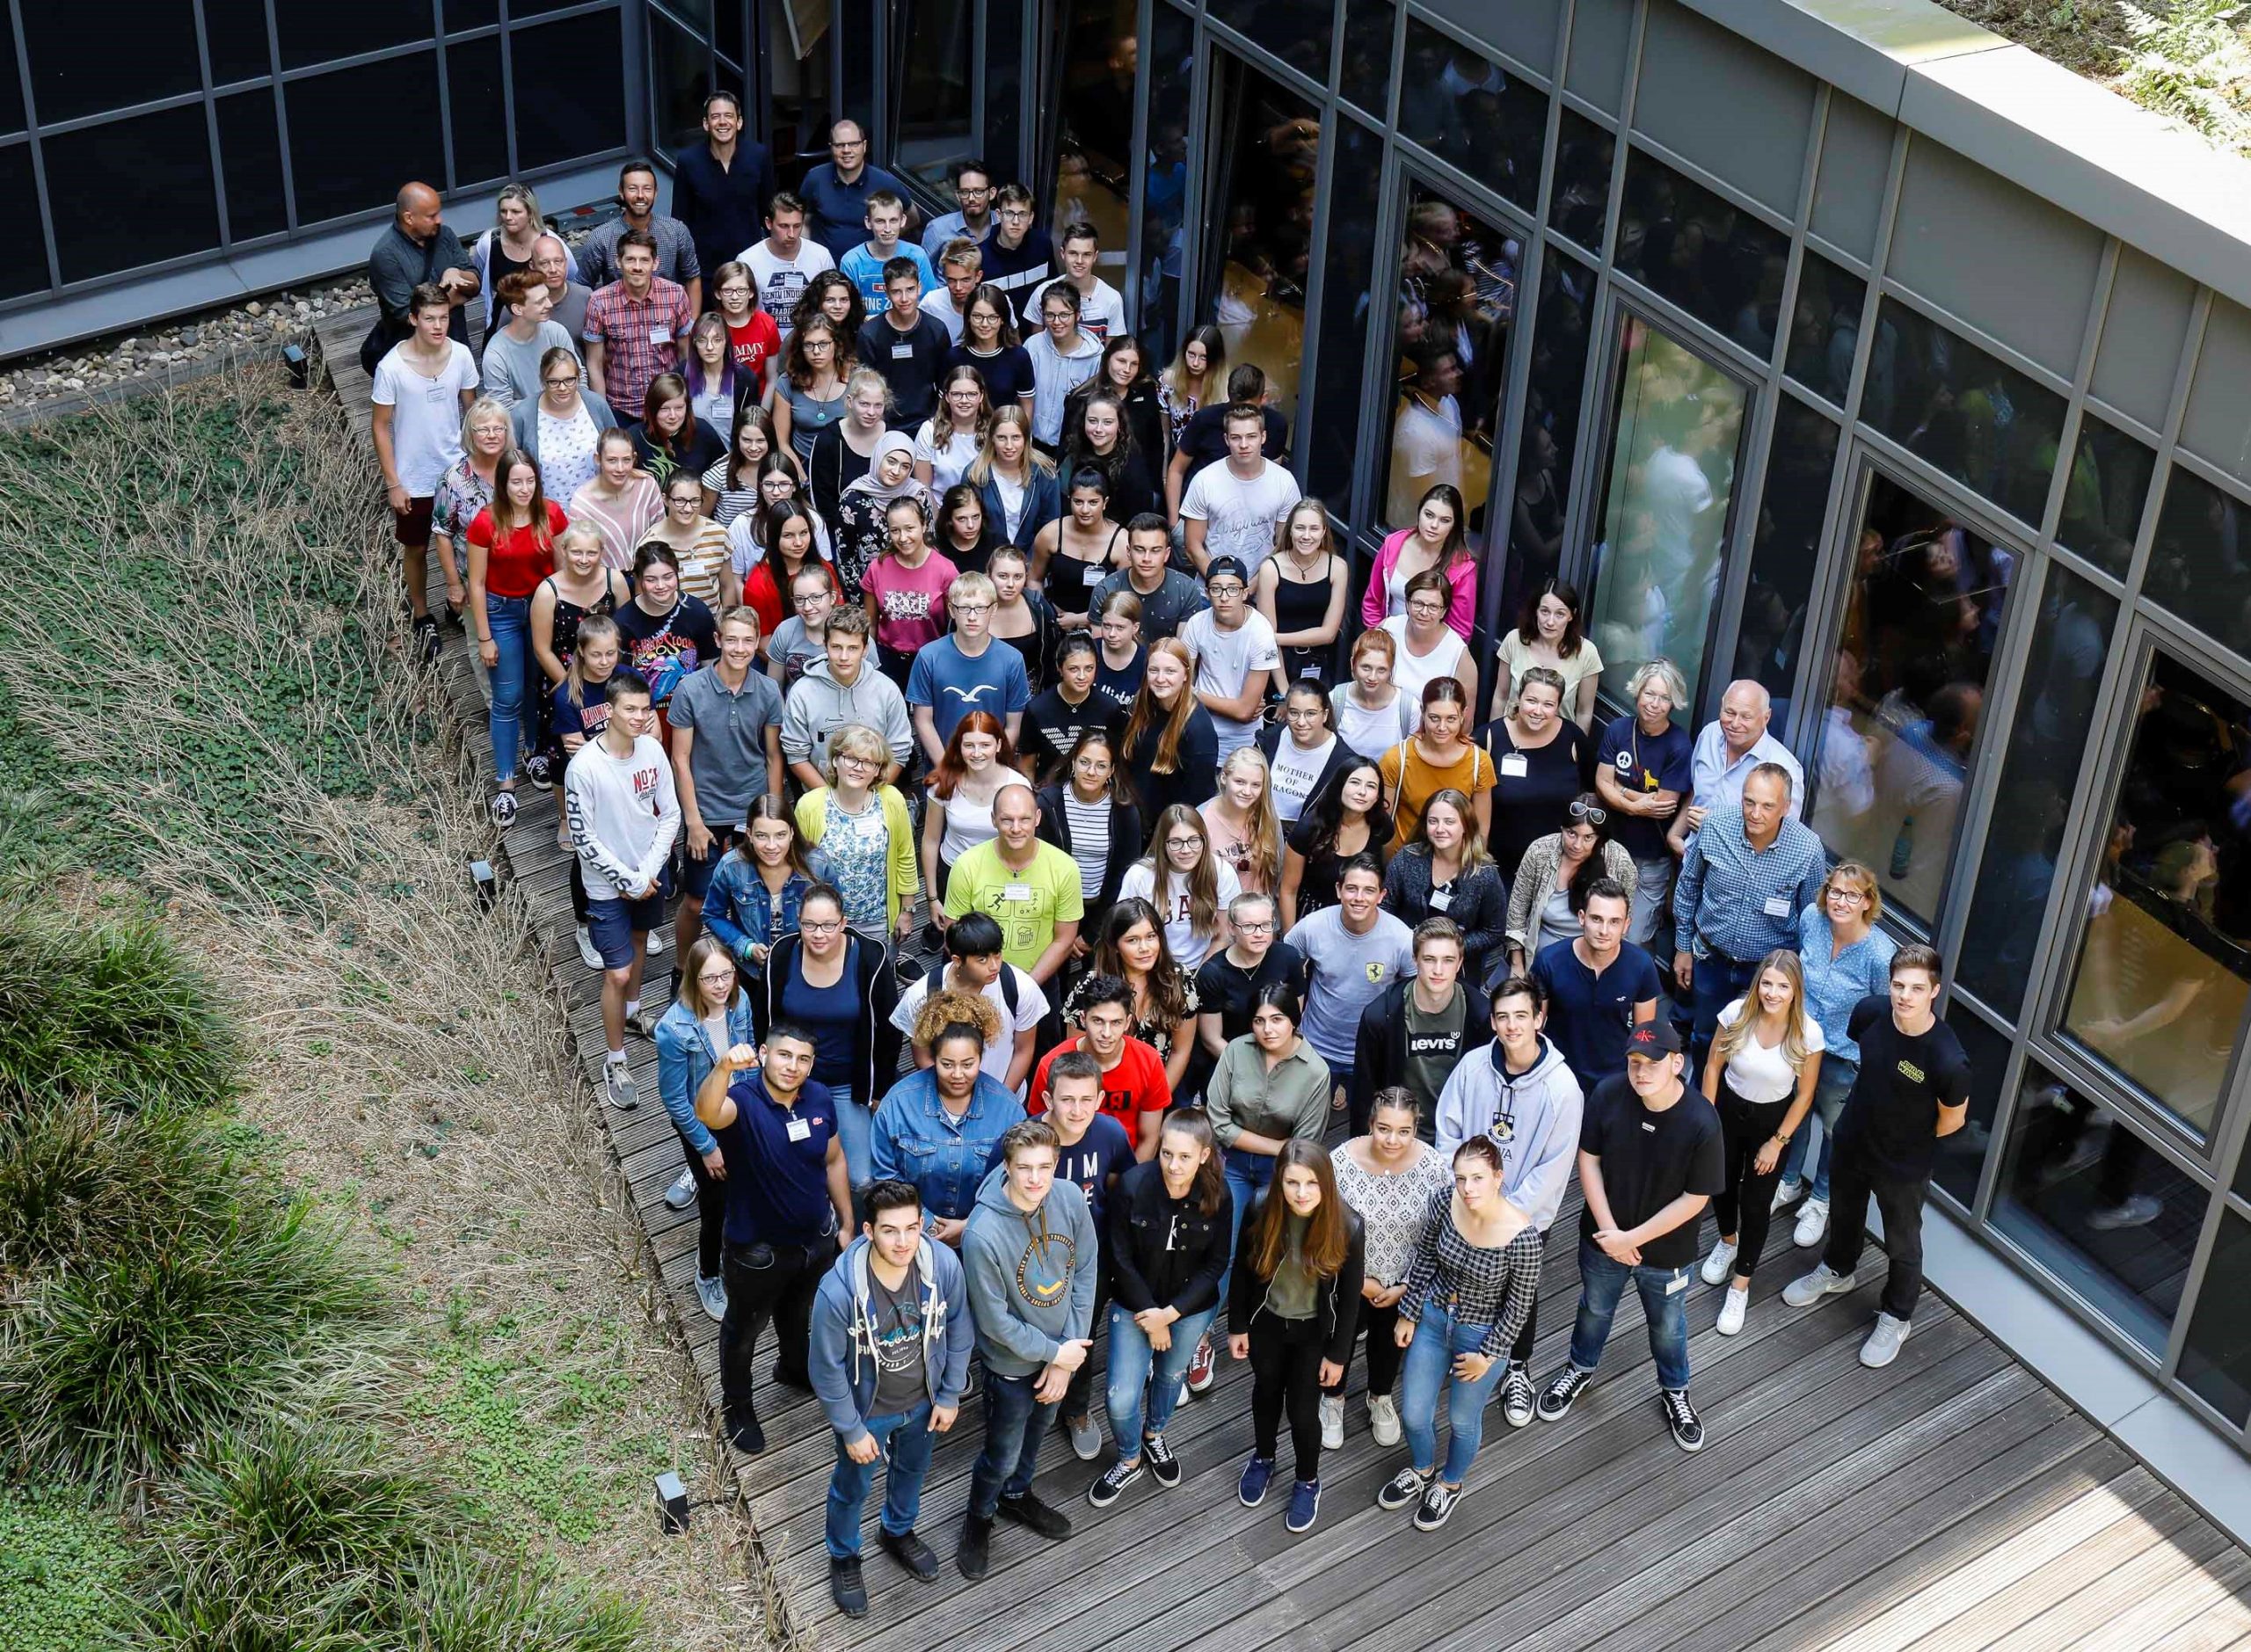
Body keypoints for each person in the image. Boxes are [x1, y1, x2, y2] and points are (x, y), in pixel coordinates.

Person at [1533, 1019, 1723, 1452]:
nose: (1640, 1072)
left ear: (1677, 1063)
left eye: (1652, 1063)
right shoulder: (1608, 1094)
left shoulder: (1701, 1121)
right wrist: (1610, 1232)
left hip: (1667, 1252)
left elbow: (1696, 1199)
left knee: (1668, 1326)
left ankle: (1676, 1390)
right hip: (1603, 1240)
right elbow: (1589, 1161)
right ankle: (1579, 1368)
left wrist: (1631, 1237)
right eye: (1634, 1062)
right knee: (1594, 1310)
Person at [1782, 945, 1971, 1368]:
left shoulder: (1947, 1059)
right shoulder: (1870, 1013)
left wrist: (1905, 1140)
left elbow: (1952, 1121)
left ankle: (1897, 1316)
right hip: (1852, 1141)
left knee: (1902, 1243)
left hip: (1903, 1165)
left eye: (1917, 988)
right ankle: (1837, 1270)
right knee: (1845, 1214)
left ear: (1934, 992)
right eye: (1899, 985)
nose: (1905, 996)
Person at [810, 1176, 974, 1620]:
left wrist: (950, 1392)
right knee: (852, 1486)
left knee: (913, 1469)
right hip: (870, 1412)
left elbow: (959, 1328)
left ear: (922, 1224)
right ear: (868, 1232)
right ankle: (844, 1555)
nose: (903, 1242)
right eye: (889, 1230)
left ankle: (897, 1530)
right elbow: (825, 1369)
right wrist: (850, 1428)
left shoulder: (942, 1266)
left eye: (911, 1228)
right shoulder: (839, 1291)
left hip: (925, 1401)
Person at [1431, 975, 1586, 1428]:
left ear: (1540, 1018)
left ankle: (1517, 1367)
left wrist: (1504, 1216)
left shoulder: (1563, 1089)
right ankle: (1458, 1348)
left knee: (1522, 1293)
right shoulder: (1473, 1067)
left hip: (1523, 1221)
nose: (1512, 1025)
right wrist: (1465, 1193)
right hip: (1466, 1204)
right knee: (1459, 1275)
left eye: (1522, 1015)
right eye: (1502, 1016)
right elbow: (1448, 1132)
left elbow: (1554, 1167)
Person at [696, 1020, 853, 1453]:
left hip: (816, 1239)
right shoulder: (742, 1102)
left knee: (799, 1316)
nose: (793, 1066)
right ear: (764, 1054)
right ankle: (738, 1406)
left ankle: (792, 1368)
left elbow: (835, 1159)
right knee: (743, 1331)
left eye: (803, 1059)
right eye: (784, 1055)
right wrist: (725, 1067)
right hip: (757, 1251)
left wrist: (847, 1221)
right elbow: (707, 1112)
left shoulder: (819, 1098)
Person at [957, 1117, 1101, 1578]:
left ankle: (1016, 1496)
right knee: (1001, 1448)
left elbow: (1085, 1272)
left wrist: (1066, 1352)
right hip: (1012, 1364)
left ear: (1056, 1165)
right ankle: (978, 1517)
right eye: (1024, 1168)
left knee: (1038, 1432)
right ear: (1008, 1166)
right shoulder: (982, 1234)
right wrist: (1053, 1355)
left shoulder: (1069, 1198)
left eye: (1044, 1167)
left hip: (1062, 1350)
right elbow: (995, 1320)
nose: (1035, 1178)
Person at [1376, 1136, 1543, 1529]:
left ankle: (1450, 1485)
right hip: (1435, 1318)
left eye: (1478, 1178)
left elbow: (1519, 1307)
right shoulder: (1443, 1203)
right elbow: (1426, 1258)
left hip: (1482, 1333)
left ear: (1498, 1178)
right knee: (1415, 1414)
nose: (1467, 1189)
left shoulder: (1523, 1239)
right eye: (1461, 1178)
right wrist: (1409, 1313)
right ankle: (1421, 1469)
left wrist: (1488, 1355)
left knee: (1463, 1421)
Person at [1089, 1110, 1233, 1508]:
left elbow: (1217, 1264)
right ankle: (1130, 1456)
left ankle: (1154, 1435)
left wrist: (1170, 1315)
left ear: (1204, 1156)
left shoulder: (1219, 1196)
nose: (1173, 1165)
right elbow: (1119, 1257)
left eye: (1185, 1157)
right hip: (1136, 1304)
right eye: (1167, 1154)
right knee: (1119, 1398)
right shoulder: (1134, 1186)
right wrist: (1152, 1316)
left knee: (1170, 1377)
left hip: (1189, 1309)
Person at [1227, 1139, 1366, 1535]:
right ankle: (1264, 1457)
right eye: (1292, 1183)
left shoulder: (1348, 1226)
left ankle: (1308, 1479)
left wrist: (1339, 1355)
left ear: (1326, 1184)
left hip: (1312, 1333)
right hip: (1266, 1322)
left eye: (1311, 1184)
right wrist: (1237, 1325)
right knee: (1266, 1392)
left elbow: (1351, 1300)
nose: (1301, 1193)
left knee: (1304, 1410)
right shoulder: (1259, 1207)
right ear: (1279, 1182)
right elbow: (1243, 1271)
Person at [565, 672, 680, 1112]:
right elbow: (584, 839)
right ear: (609, 710)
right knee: (615, 971)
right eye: (629, 709)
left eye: (644, 708)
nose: (639, 717)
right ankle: (616, 1059)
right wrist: (627, 881)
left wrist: (647, 871)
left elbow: (668, 814)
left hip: (649, 873)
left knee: (639, 947)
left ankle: (633, 1013)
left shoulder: (652, 749)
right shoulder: (585, 768)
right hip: (608, 887)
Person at [1695, 950, 1825, 1336]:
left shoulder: (1808, 1033)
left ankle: (1741, 1283)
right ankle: (1727, 1240)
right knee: (1720, 1187)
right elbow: (1713, 1067)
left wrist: (1777, 1141)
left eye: (1783, 986)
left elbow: (1805, 1095)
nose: (1773, 992)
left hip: (1773, 1124)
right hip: (1729, 1113)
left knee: (1755, 1204)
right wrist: (1708, 1117)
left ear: (1795, 990)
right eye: (1767, 983)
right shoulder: (1736, 1014)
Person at [1774, 861, 1898, 1249]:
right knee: (1793, 1113)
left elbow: (1884, 1013)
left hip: (1845, 1056)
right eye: (1835, 891)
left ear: (1867, 902)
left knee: (1834, 1131)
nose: (1840, 901)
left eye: (1852, 895)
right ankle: (1789, 1181)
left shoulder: (1880, 954)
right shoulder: (1812, 918)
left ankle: (1821, 1200)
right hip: (1802, 1041)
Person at [1672, 762, 1829, 1062]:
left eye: (1768, 806)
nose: (1755, 814)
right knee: (1705, 1038)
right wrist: (1682, 947)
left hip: (1767, 972)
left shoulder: (1807, 850)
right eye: (1749, 802)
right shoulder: (1715, 826)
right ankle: (1704, 1102)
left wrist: (1795, 978)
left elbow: (1812, 922)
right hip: (1711, 959)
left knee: (1754, 1052)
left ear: (1785, 807)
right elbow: (1688, 886)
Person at [754, 884, 901, 1190]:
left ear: (843, 924)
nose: (818, 934)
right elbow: (764, 1019)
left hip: (848, 1083)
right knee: (788, 1166)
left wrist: (879, 1088)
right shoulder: (782, 955)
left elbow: (889, 1030)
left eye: (827, 926)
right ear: (799, 923)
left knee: (861, 1178)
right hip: (794, 1080)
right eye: (809, 925)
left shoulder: (870, 958)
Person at [1329, 1088, 1453, 1449]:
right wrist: (1358, 1280)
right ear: (1370, 1124)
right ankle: (1332, 1397)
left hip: (1405, 1280)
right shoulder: (1340, 1163)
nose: (1392, 1139)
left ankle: (1379, 1397)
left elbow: (1443, 1233)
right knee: (1340, 1335)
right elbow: (1325, 1230)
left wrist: (1408, 1285)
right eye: (1384, 1128)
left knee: (1388, 1343)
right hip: (1348, 1277)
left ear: (1416, 1129)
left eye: (1403, 1131)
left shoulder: (1433, 1168)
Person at [370, 284, 480, 659]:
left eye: (444, 317)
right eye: (430, 318)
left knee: (466, 541)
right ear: (414, 318)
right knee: (416, 548)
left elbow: (472, 412)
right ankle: (421, 614)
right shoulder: (392, 368)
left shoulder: (462, 355)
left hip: (455, 471)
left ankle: (459, 604)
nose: (438, 325)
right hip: (414, 477)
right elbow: (380, 426)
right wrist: (394, 482)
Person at [669, 607, 784, 956]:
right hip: (706, 810)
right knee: (696, 901)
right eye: (731, 639)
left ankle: (742, 965)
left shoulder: (767, 691)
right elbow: (680, 758)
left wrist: (772, 815)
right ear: (717, 640)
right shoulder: (690, 689)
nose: (739, 648)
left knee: (750, 894)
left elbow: (773, 756)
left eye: (748, 640)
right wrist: (694, 821)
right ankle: (682, 967)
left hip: (749, 810)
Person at [1040, 1051, 1139, 1460]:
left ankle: (1077, 1410)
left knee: (1082, 1334)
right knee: (1037, 1333)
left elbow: (1119, 1183)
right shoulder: (1027, 1138)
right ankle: (1029, 1402)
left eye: (1086, 1100)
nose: (1076, 1109)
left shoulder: (1110, 1133)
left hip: (1089, 1260)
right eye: (1066, 1100)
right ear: (1048, 1101)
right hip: (1037, 1261)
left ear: (1099, 1100)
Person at [655, 937, 756, 1323]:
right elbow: (675, 1099)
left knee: (744, 1186)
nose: (720, 985)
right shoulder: (674, 1030)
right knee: (715, 1204)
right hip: (701, 1121)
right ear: (694, 979)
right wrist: (705, 1146)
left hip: (736, 1110)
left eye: (726, 974)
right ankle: (707, 1273)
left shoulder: (740, 1003)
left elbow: (746, 1055)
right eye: (710, 977)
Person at [464, 447, 567, 824]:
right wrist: (485, 636)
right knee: (507, 696)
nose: (524, 489)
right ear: (502, 484)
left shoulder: (551, 514)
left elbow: (560, 570)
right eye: (516, 482)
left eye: (530, 481)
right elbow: (475, 583)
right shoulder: (486, 523)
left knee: (535, 687)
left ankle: (534, 750)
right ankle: (505, 783)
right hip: (501, 610)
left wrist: (562, 617)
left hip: (541, 606)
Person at [871, 1006, 1028, 1246]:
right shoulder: (898, 1104)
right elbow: (886, 1176)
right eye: (947, 1064)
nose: (957, 1074)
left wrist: (972, 1224)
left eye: (967, 1064)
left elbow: (1016, 1181)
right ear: (933, 1059)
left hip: (987, 1236)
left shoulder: (1008, 1109)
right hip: (911, 1236)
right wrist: (926, 1223)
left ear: (981, 1058)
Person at [1286, 855, 1415, 1099]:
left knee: (1365, 1124)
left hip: (1371, 1051)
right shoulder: (1312, 927)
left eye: (1369, 891)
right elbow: (1284, 966)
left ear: (1381, 896)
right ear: (1338, 890)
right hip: (1315, 1047)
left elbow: (1412, 993)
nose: (1359, 898)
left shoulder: (1402, 939)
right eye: (1352, 889)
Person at [943, 781, 1085, 988]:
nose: (1016, 828)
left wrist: (1026, 987)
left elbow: (1064, 940)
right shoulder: (967, 865)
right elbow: (953, 932)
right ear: (993, 820)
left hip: (1038, 981)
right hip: (977, 984)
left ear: (1037, 818)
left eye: (1024, 819)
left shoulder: (1064, 868)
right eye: (1007, 820)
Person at [1595, 659, 1694, 949]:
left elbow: (1664, 804)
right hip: (1612, 849)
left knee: (1634, 940)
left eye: (1664, 698)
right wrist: (1635, 804)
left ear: (1673, 703)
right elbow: (1601, 782)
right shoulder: (1618, 730)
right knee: (1602, 929)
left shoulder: (1678, 745)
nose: (1654, 703)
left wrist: (1620, 790)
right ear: (1638, 692)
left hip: (1651, 859)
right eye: (1650, 694)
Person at [1532, 877, 1664, 1093]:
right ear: (1582, 918)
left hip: (1615, 1080)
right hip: (1558, 1075)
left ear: (1626, 925)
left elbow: (1643, 1036)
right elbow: (1535, 1029)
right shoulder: (1550, 961)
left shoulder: (1641, 965)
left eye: (1614, 921)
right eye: (1596, 919)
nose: (1604, 930)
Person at [892, 911, 1046, 1095]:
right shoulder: (920, 995)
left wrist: (1002, 1102)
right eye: (982, 959)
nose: (994, 966)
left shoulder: (1020, 988)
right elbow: (923, 1058)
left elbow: (1024, 1050)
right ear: (958, 960)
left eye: (997, 954)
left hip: (1003, 1096)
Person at [529, 523, 629, 806]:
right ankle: (564, 815)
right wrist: (571, 687)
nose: (584, 559)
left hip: (609, 674)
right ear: (564, 551)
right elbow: (541, 648)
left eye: (591, 552)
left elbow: (625, 634)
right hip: (563, 677)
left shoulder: (615, 581)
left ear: (602, 552)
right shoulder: (548, 592)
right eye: (576, 552)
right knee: (564, 753)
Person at [1059, 901, 1200, 1096]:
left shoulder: (1179, 978)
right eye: (1132, 940)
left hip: (1159, 1088)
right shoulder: (1091, 985)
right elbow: (1076, 1056)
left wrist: (1156, 1101)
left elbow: (1180, 1051)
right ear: (1115, 946)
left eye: (1151, 937)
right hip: (1103, 1096)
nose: (1145, 948)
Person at [1033, 971, 1175, 1159]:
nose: (1106, 1033)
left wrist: (1129, 1185)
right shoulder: (1052, 1064)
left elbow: (1149, 1138)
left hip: (1125, 1162)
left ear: (1128, 1023)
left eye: (1116, 1022)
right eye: (1098, 1021)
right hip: (1065, 1161)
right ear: (1083, 1019)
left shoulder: (1148, 1060)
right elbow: (1039, 1131)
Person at [549, 617, 623, 955]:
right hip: (587, 787)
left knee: (629, 846)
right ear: (581, 652)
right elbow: (577, 751)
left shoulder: (628, 679)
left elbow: (648, 727)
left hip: (627, 781)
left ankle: (633, 917)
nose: (605, 661)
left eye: (611, 653)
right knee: (588, 857)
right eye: (597, 655)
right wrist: (623, 738)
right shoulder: (568, 695)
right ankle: (584, 924)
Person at [1383, 790, 1505, 988]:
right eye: (1433, 821)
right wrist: (1411, 944)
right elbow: (1385, 909)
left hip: (1459, 972)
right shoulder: (1406, 859)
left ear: (1465, 825)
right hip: (1405, 963)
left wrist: (1452, 948)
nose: (1440, 829)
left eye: (1449, 822)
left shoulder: (1485, 874)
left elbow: (1494, 932)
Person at [1670, 679, 1807, 855]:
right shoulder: (1710, 735)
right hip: (1689, 859)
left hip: (1735, 877)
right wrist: (1675, 835)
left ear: (1766, 718)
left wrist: (1718, 827)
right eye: (1730, 712)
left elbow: (1784, 841)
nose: (1735, 723)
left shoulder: (1785, 769)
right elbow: (1697, 792)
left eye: (1746, 716)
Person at [1505, 794, 1640, 974]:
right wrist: (1517, 964)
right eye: (1571, 834)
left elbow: (1623, 920)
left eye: (1588, 838)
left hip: (1597, 959)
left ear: (1599, 838)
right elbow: (1517, 911)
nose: (1577, 845)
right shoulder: (1539, 852)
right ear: (1562, 828)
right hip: (1543, 959)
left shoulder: (1619, 861)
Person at [783, 608, 914, 789]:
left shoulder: (887, 691)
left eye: (853, 648)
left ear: (865, 649)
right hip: (822, 795)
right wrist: (833, 801)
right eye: (836, 647)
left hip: (874, 793)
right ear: (825, 645)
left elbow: (899, 752)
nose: (844, 657)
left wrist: (868, 797)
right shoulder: (801, 693)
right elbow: (796, 755)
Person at [909, 570, 1032, 760]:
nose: (972, 617)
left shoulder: (1012, 660)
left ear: (993, 610)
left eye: (980, 608)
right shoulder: (929, 657)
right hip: (943, 764)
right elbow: (923, 720)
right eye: (964, 608)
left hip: (992, 767)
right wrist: (945, 769)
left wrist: (992, 766)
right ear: (951, 610)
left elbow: (1014, 724)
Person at [1480, 666, 1589, 878]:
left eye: (1548, 704)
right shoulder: (1490, 737)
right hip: (1497, 866)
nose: (1538, 711)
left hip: (1555, 867)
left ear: (1558, 706)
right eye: (1532, 701)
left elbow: (1592, 791)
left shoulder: (1573, 739)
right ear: (1519, 698)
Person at [1037, 727, 1141, 944]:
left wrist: (1093, 934)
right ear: (1073, 762)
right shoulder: (1049, 803)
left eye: (1101, 766)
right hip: (1052, 910)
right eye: (1084, 762)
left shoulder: (1124, 811)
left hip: (1101, 910)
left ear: (1112, 770)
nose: (1091, 771)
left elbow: (1125, 874)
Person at [702, 797, 816, 987]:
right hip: (754, 973)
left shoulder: (816, 865)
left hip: (808, 970)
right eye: (762, 836)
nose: (772, 846)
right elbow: (712, 914)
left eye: (780, 835)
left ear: (792, 833)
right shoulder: (731, 867)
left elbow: (836, 913)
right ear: (750, 835)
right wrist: (747, 947)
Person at [1181, 556, 1286, 762]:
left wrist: (1194, 694)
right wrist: (1188, 693)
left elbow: (1245, 711)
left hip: (1242, 743)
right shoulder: (1197, 623)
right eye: (1216, 589)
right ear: (1207, 593)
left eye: (1233, 589)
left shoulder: (1260, 631)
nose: (1224, 597)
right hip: (1197, 730)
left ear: (1245, 593)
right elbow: (1179, 681)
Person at [1181, 404, 1304, 578]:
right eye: (1236, 438)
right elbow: (1193, 546)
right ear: (1226, 439)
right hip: (1212, 589)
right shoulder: (1204, 480)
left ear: (1263, 437)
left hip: (1264, 587)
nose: (1244, 444)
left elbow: (1285, 545)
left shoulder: (1283, 481)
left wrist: (1252, 587)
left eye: (1251, 436)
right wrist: (1223, 587)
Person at [583, 229, 695, 420]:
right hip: (621, 407)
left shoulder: (675, 295)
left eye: (644, 260)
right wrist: (603, 416)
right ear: (618, 262)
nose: (637, 267)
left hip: (667, 405)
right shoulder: (599, 302)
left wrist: (686, 401)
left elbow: (686, 355)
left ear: (655, 263)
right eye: (630, 259)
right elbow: (594, 364)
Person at [1120, 804, 1242, 972]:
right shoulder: (1140, 876)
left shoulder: (1221, 871)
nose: (1186, 850)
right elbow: (1125, 933)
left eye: (1194, 841)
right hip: (1150, 967)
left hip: (1203, 966)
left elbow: (1223, 936)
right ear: (1163, 844)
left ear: (1204, 840)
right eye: (1176, 842)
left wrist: (1196, 980)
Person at [672, 91, 777, 282]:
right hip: (703, 269)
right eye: (715, 116)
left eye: (729, 116)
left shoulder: (758, 156)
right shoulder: (688, 161)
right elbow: (680, 219)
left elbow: (769, 212)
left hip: (749, 265)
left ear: (739, 122)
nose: (722, 122)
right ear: (706, 123)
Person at [1380, 677, 1493, 854]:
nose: (1442, 727)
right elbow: (1383, 823)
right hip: (1404, 861)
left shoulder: (1480, 762)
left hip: (1455, 863)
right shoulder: (1397, 758)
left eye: (1451, 719)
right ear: (1422, 712)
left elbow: (1480, 831)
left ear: (1463, 715)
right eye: (1434, 718)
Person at [1167, 365, 1290, 526]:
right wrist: (1174, 524)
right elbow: (1177, 469)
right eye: (1236, 407)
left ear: (1264, 399)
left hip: (1250, 522)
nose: (1242, 415)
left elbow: (1273, 477)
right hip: (1202, 516)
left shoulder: (1276, 425)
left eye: (1250, 409)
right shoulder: (1205, 420)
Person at [1118, 637, 1220, 823]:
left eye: (1170, 671)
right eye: (1153, 670)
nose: (1160, 679)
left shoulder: (1198, 729)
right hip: (1133, 818)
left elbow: (1198, 799)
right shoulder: (1142, 704)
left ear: (1185, 676)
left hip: (1168, 830)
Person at [1281, 758, 1390, 930]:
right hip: (1312, 915)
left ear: (1377, 796)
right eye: (1355, 782)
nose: (1362, 791)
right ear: (1340, 786)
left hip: (1360, 914)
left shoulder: (1381, 826)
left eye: (1371, 786)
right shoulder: (1309, 828)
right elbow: (1288, 890)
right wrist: (1290, 943)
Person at [430, 397, 513, 623]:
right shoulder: (453, 479)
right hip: (475, 579)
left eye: (498, 428)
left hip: (519, 577)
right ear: (470, 434)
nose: (492, 435)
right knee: (481, 647)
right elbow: (442, 535)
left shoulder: (518, 469)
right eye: (483, 429)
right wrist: (454, 584)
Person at [613, 543, 718, 723]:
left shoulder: (697, 612)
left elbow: (711, 668)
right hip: (643, 716)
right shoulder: (623, 621)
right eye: (651, 579)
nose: (661, 586)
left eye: (668, 577)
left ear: (677, 574)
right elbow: (620, 682)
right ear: (639, 579)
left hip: (692, 711)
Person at [578, 159, 702, 310]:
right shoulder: (602, 237)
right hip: (620, 324)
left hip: (668, 322)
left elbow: (692, 277)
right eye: (632, 189)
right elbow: (582, 287)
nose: (640, 195)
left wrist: (692, 326)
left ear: (655, 193)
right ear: (621, 192)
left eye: (647, 189)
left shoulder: (676, 231)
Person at [920, 710, 1013, 911]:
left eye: (985, 745)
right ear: (959, 747)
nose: (977, 753)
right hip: (954, 873)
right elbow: (930, 840)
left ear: (998, 745)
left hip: (1000, 876)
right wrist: (932, 898)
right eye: (969, 745)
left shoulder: (1017, 786)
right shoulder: (943, 784)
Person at [369, 182, 476, 357]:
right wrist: (457, 297)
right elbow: (407, 315)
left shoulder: (445, 235)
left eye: (438, 213)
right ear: (409, 218)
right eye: (431, 216)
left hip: (456, 343)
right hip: (415, 356)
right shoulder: (386, 255)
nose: (439, 220)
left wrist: (456, 274)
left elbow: (474, 283)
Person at [814, 374, 903, 574]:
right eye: (864, 404)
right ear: (849, 402)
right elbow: (822, 500)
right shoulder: (829, 440)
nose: (871, 412)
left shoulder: (893, 437)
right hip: (842, 537)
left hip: (891, 536)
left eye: (878, 406)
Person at [1363, 483, 1475, 639]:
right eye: (1429, 515)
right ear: (1419, 513)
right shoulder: (1394, 544)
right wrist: (1378, 641)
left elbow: (1460, 632)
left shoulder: (1462, 569)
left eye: (1445, 520)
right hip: (1386, 643)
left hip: (1429, 654)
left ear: (1454, 525)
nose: (1434, 525)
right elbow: (1372, 602)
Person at [1258, 500, 1350, 688]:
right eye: (1300, 528)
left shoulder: (1337, 567)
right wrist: (1284, 692)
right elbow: (1267, 641)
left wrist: (1276, 638)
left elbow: (1329, 634)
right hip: (1277, 664)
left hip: (1320, 663)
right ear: (1290, 530)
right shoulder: (1270, 568)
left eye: (1314, 529)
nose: (1306, 536)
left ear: (1324, 531)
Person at [510, 346, 618, 504]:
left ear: (578, 377)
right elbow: (511, 466)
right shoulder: (522, 415)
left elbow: (617, 448)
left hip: (598, 508)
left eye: (569, 380)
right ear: (542, 381)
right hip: (547, 513)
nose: (562, 388)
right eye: (553, 382)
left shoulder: (596, 405)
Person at [1494, 577, 1603, 728]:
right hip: (1512, 735)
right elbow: (1501, 696)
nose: (1550, 622)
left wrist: (1577, 749)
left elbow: (1584, 712)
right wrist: (1492, 738)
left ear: (1571, 615)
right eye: (1545, 611)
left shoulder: (1586, 652)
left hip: (1559, 742)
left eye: (1560, 614)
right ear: (1536, 611)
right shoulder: (1514, 640)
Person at [856, 257, 951, 426]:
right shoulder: (870, 333)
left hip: (927, 421)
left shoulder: (936, 330)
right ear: (887, 292)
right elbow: (866, 385)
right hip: (883, 422)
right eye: (896, 291)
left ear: (919, 288)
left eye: (910, 289)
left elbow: (946, 383)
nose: (904, 298)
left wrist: (938, 419)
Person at [1062, 337, 1166, 492]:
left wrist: (1154, 488)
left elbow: (1155, 445)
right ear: (1107, 359)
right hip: (1090, 487)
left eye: (1134, 364)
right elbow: (1067, 448)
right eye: (1121, 361)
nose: (1127, 369)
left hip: (1135, 486)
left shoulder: (1146, 391)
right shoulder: (1081, 398)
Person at [1379, 570, 1479, 730]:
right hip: (1380, 726)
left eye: (1433, 606)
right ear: (1407, 603)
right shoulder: (1388, 629)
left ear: (1444, 611)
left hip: (1427, 741)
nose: (1424, 612)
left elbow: (1464, 723)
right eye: (1418, 603)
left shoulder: (1459, 655)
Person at [1091, 513, 1206, 645]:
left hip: (1168, 664)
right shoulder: (1106, 590)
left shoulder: (1187, 590)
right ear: (1128, 552)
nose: (1146, 558)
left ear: (1166, 554)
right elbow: (1099, 651)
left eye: (1155, 550)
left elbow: (1184, 652)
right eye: (1139, 550)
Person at [1019, 631, 1118, 782]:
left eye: (1089, 668)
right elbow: (1027, 767)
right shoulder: (1037, 709)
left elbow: (1117, 764)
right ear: (1060, 668)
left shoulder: (1110, 708)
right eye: (1073, 669)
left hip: (1095, 794)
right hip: (1050, 795)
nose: (1082, 676)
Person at [801, 121, 909, 258]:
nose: (846, 150)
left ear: (864, 146)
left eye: (853, 144)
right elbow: (803, 222)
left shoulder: (885, 182)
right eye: (840, 145)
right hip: (826, 271)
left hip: (869, 269)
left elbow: (911, 217)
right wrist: (810, 257)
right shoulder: (815, 178)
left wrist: (886, 246)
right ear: (831, 148)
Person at [973, 404, 1064, 561]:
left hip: (1032, 562)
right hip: (987, 562)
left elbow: (1050, 527)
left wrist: (1029, 566)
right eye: (1002, 438)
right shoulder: (976, 474)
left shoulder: (1045, 474)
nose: (1009, 446)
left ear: (1026, 438)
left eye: (1016, 437)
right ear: (992, 439)